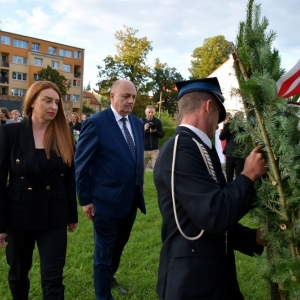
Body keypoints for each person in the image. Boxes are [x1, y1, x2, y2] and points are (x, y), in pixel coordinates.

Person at [153, 77, 268, 300]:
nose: (217, 125)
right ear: (208, 106)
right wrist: (248, 175)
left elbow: (209, 216)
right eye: (218, 116)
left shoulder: (196, 147)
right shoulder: (181, 148)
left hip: (210, 274)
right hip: (191, 284)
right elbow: (215, 214)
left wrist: (252, 238)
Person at [0, 81, 78, 300]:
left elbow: (69, 179)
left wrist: (72, 215)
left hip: (53, 216)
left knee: (53, 280)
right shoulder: (10, 133)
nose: (54, 106)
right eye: (47, 100)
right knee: (17, 275)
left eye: (56, 102)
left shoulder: (64, 135)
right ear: (32, 101)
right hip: (18, 216)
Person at [75, 79, 146, 300]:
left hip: (131, 200)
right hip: (104, 202)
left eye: (133, 97)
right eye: (126, 96)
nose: (131, 100)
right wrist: (86, 200)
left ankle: (109, 278)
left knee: (118, 247)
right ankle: (103, 295)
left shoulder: (135, 123)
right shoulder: (96, 123)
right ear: (112, 96)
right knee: (104, 253)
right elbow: (81, 163)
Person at [219, 111, 246, 183]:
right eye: (238, 117)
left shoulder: (244, 127)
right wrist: (226, 126)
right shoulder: (230, 126)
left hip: (240, 155)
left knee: (239, 177)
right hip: (230, 155)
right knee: (229, 177)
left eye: (241, 117)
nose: (239, 119)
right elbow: (221, 137)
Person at [141, 105, 164, 171]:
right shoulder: (141, 121)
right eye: (149, 112)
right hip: (144, 150)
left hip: (155, 150)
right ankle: (141, 182)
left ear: (154, 113)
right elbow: (137, 135)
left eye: (152, 112)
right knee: (141, 172)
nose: (151, 114)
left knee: (157, 171)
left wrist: (155, 131)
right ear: (145, 112)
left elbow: (162, 135)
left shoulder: (157, 121)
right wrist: (144, 129)